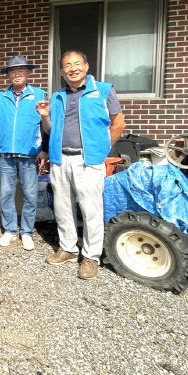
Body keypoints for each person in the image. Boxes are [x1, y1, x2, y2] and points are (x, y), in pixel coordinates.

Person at [36, 50, 126, 280]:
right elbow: (49, 129)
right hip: (60, 158)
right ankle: (67, 247)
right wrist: (45, 116)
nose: (72, 68)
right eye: (67, 65)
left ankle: (91, 256)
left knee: (90, 209)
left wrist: (103, 150)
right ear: (61, 71)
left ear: (86, 66)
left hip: (88, 160)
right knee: (62, 206)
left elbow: (118, 123)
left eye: (77, 64)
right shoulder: (57, 96)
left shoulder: (103, 90)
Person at [0, 55, 47, 250]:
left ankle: (26, 232)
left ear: (27, 73)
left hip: (29, 153)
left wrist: (44, 150)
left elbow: (46, 124)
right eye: (12, 71)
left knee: (30, 195)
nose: (16, 74)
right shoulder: (2, 96)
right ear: (8, 75)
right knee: (6, 194)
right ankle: (9, 230)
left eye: (20, 71)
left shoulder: (39, 94)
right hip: (6, 154)